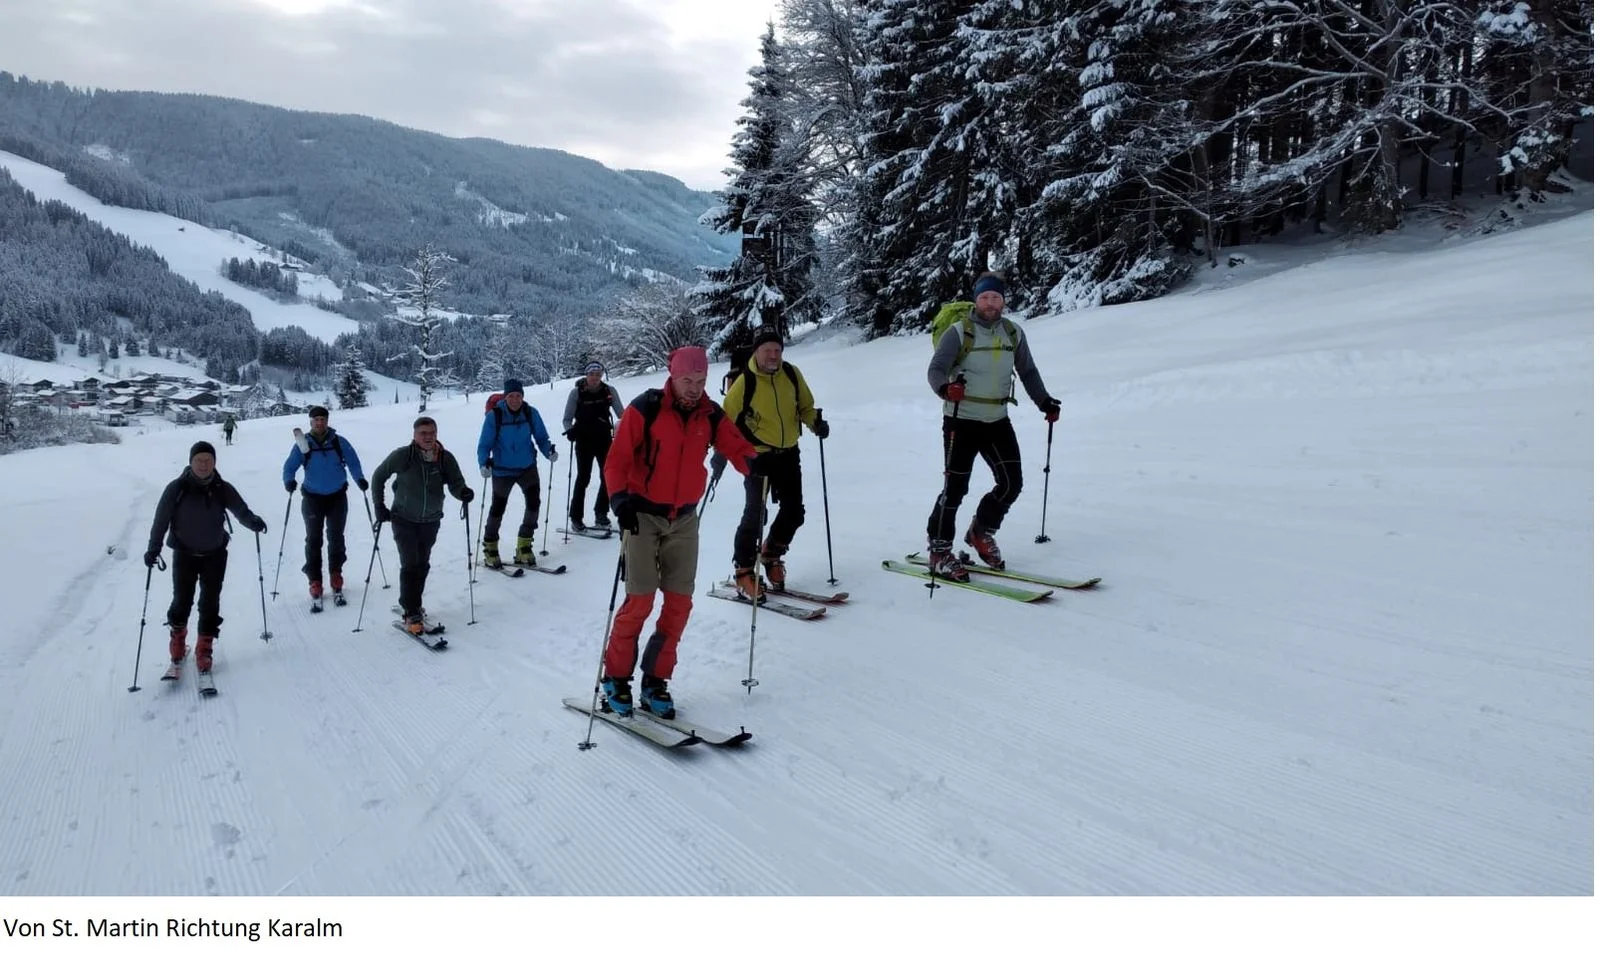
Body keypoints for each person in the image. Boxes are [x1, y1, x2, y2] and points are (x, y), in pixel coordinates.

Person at [598, 345, 757, 718]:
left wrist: (756, 465)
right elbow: (617, 460)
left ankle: (655, 680)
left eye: (701, 381)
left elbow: (736, 445)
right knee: (640, 600)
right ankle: (615, 678)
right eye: (687, 380)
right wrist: (619, 500)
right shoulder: (646, 408)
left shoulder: (709, 414)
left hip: (684, 519)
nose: (694, 388)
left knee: (679, 603)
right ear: (672, 376)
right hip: (641, 515)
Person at [925, 272, 1060, 582]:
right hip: (961, 419)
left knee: (1012, 483)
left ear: (1003, 301)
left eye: (995, 298)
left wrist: (1044, 402)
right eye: (985, 297)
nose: (990, 303)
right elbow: (936, 369)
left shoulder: (1013, 333)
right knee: (955, 488)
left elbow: (1027, 371)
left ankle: (981, 531)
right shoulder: (959, 332)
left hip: (997, 420)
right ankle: (939, 550)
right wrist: (945, 389)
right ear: (977, 300)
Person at [721, 327, 828, 598]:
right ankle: (744, 570)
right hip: (757, 456)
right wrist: (724, 451)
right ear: (756, 352)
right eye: (767, 350)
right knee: (755, 514)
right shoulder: (745, 382)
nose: (773, 355)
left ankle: (771, 554)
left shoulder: (791, 374)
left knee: (794, 512)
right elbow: (725, 420)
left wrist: (815, 422)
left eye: (777, 350)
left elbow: (805, 407)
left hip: (788, 453)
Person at [144, 441, 268, 674]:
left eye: (208, 460)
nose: (203, 464)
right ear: (191, 462)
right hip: (184, 554)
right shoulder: (176, 488)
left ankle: (204, 650)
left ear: (214, 463)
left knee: (210, 603)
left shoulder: (222, 488)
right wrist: (153, 548)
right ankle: (177, 647)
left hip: (215, 554)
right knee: (182, 601)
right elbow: (161, 520)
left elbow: (240, 510)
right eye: (199, 460)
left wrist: (253, 522)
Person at [370, 417, 474, 635]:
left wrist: (463, 492)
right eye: (423, 433)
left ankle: (412, 603)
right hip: (403, 518)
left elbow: (456, 482)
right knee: (410, 563)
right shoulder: (403, 456)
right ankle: (411, 611)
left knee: (422, 563)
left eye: (432, 433)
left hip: (431, 519)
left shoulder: (444, 458)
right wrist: (379, 505)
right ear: (415, 435)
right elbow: (378, 476)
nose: (428, 437)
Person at [281, 405, 368, 603]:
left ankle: (336, 574)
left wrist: (360, 479)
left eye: (323, 419)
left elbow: (353, 462)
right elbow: (289, 466)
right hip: (312, 498)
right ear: (311, 422)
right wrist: (289, 481)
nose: (320, 423)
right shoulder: (303, 444)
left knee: (336, 537)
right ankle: (315, 580)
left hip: (337, 496)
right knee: (313, 539)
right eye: (316, 420)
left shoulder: (338, 441)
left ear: (327, 421)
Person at [476, 378, 556, 568]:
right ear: (505, 397)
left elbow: (541, 437)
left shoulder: (530, 412)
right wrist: (483, 463)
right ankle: (490, 547)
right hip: (502, 470)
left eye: (518, 395)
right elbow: (484, 444)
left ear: (523, 396)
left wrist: (548, 452)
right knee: (498, 509)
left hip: (527, 467)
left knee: (534, 505)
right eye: (511, 396)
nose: (515, 399)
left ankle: (524, 546)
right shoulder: (495, 416)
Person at [561, 361, 625, 532]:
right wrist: (570, 431)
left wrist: (629, 428)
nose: (595, 378)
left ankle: (601, 513)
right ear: (586, 375)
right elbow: (567, 419)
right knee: (583, 478)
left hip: (604, 438)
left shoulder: (609, 391)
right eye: (592, 374)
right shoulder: (576, 393)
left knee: (607, 477)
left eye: (598, 374)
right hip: (584, 440)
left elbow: (622, 414)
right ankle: (576, 517)